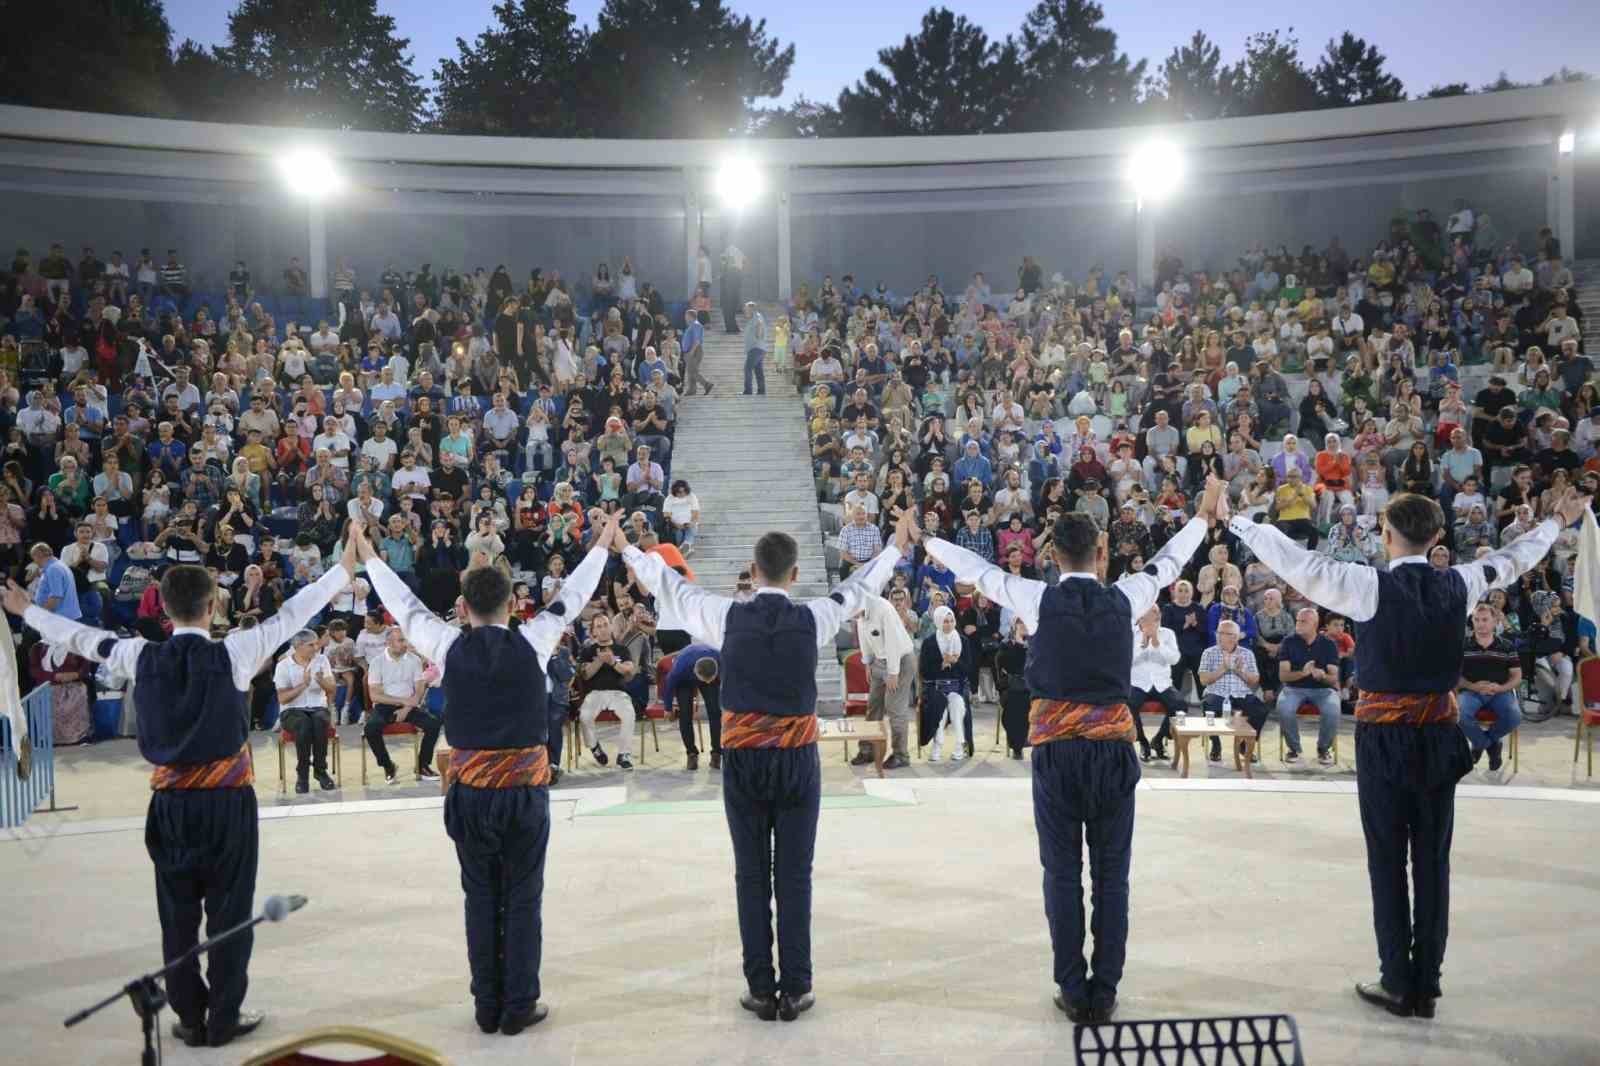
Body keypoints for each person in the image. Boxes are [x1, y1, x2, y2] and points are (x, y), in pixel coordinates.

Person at [1223, 489, 1582, 1018]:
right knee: (1432, 862)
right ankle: (1427, 984)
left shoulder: (1367, 585)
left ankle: (1397, 979)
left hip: (1384, 739)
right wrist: (1554, 520)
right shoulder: (1458, 582)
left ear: (1387, 536)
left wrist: (1234, 518)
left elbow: (1296, 563)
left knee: (1387, 861)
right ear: (1438, 539)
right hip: (1439, 735)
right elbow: (1512, 559)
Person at [5, 548, 356, 1048]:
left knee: (178, 914)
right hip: (227, 804)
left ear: (163, 609)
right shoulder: (235, 651)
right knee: (231, 912)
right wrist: (343, 570)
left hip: (170, 806)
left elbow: (81, 638)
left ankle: (190, 1016)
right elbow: (294, 613)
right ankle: (225, 1016)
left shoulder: (138, 654)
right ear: (213, 605)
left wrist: (28, 612)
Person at [914, 477, 1227, 1023]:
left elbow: (977, 571)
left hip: (1058, 753)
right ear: (1101, 553)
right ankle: (1104, 989)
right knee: (1112, 873)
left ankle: (1071, 985)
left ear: (1052, 555)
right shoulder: (1128, 594)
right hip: (1111, 752)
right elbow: (1169, 562)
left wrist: (925, 542)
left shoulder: (1036, 597)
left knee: (1061, 872)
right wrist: (1201, 514)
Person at [620, 511, 910, 1021]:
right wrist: (895, 546)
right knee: (795, 874)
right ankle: (797, 987)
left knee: (751, 874)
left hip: (746, 760)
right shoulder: (815, 615)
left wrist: (624, 546)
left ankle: (760, 986)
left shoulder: (725, 615)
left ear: (753, 573)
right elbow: (862, 588)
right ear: (794, 575)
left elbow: (665, 582)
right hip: (797, 760)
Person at [351, 515, 612, 1035]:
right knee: (522, 897)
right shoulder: (536, 637)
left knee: (479, 897)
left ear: (464, 608)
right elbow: (577, 593)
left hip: (469, 792)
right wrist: (603, 542)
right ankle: (519, 1004)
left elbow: (404, 603)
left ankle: (486, 1004)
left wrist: (369, 555)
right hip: (522, 792)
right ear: (514, 605)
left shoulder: (446, 644)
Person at [363, 626, 443, 785]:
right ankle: (388, 766)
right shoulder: (377, 662)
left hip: (410, 704)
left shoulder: (414, 660)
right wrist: (402, 702)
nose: (405, 644)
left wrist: (407, 708)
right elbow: (375, 695)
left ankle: (422, 766)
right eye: (401, 640)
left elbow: (419, 689)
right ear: (389, 642)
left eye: (405, 640)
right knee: (371, 728)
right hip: (385, 705)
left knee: (433, 724)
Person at [852, 591, 916, 770]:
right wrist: (867, 663)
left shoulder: (883, 609)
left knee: (894, 708)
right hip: (879, 660)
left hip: (900, 660)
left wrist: (893, 673)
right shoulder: (860, 613)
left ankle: (901, 755)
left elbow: (893, 643)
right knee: (873, 706)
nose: (853, 615)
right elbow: (865, 639)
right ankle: (868, 750)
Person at [1456, 603, 1523, 772]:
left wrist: (1501, 688)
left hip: (1499, 692)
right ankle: (1491, 746)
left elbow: (1517, 676)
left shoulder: (1507, 646)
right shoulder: (1462, 644)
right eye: (1476, 619)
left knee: (1514, 716)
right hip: (1471, 692)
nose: (1480, 623)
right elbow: (1454, 675)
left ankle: (1480, 744)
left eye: (1485, 620)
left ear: (1495, 622)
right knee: (1460, 714)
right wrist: (1473, 686)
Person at [1275, 608, 1342, 765]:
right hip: (1293, 689)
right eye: (1297, 620)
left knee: (1333, 709)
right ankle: (1294, 749)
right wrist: (1303, 673)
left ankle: (1323, 749)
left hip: (1323, 690)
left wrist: (1323, 676)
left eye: (1303, 621)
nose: (1298, 624)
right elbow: (1283, 676)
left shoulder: (1329, 644)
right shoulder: (1288, 642)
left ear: (1314, 624)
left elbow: (1333, 679)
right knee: (1284, 708)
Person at [274, 629, 338, 793]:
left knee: (318, 721)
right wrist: (304, 684)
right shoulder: (283, 665)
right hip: (292, 711)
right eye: (311, 645)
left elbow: (331, 689)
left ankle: (320, 771)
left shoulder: (322, 660)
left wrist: (321, 680)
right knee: (303, 724)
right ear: (298, 646)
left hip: (318, 707)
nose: (316, 647)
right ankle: (302, 775)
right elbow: (282, 698)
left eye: (316, 643)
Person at [575, 611, 640, 770]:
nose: (603, 629)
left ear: (611, 627)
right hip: (595, 693)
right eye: (599, 626)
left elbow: (628, 670)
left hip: (618, 692)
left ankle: (623, 754)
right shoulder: (588, 651)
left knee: (629, 714)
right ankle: (594, 747)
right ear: (593, 632)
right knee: (585, 716)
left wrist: (612, 662)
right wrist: (599, 660)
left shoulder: (621, 649)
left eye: (605, 625)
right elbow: (586, 674)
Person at [1197, 620, 1269, 760]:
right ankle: (1216, 745)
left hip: (1241, 693)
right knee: (1209, 706)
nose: (1219, 636)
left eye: (1224, 633)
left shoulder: (1247, 654)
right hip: (1216, 692)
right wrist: (1222, 669)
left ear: (1235, 637)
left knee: (1261, 710)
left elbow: (1254, 680)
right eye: (1219, 632)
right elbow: (1203, 680)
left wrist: (1240, 671)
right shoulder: (1209, 653)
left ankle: (1245, 744)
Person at [1128, 606, 1183, 762]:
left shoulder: (1168, 634)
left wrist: (1158, 644)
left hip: (1163, 683)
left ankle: (1158, 740)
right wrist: (1142, 644)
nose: (1154, 622)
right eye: (1149, 618)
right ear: (1140, 618)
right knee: (1128, 705)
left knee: (1180, 706)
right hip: (1137, 683)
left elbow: (1175, 659)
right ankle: (1143, 742)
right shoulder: (1131, 634)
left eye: (1156, 618)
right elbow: (1126, 660)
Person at [918, 605, 972, 762]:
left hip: (957, 686)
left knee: (956, 703)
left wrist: (955, 661)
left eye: (951, 621)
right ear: (938, 622)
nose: (949, 624)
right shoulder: (929, 643)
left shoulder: (963, 641)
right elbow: (924, 671)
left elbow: (968, 669)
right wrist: (941, 665)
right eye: (945, 621)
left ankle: (959, 744)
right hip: (935, 686)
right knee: (940, 702)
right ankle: (938, 743)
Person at [663, 644, 722, 770]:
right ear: (696, 673)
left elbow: (730, 681)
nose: (706, 682)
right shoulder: (680, 668)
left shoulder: (721, 660)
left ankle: (717, 753)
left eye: (709, 680)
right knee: (685, 713)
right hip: (685, 680)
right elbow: (668, 686)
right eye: (704, 680)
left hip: (709, 671)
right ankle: (691, 753)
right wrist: (667, 708)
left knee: (715, 711)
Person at [742, 301, 768, 396]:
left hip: (756, 347)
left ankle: (748, 391)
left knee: (747, 368)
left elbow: (760, 324)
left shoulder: (757, 316)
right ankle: (761, 391)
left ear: (751, 308)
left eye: (745, 308)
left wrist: (758, 334)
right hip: (758, 347)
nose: (744, 310)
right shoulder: (753, 317)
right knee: (758, 370)